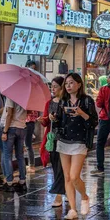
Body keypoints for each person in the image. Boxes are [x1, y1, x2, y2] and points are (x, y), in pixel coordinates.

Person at [57, 73, 97, 220]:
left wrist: (81, 113)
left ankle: (85, 197)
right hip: (64, 140)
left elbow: (93, 122)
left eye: (71, 83)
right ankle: (73, 209)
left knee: (74, 176)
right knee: (67, 177)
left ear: (79, 84)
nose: (68, 86)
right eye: (66, 83)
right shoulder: (63, 101)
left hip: (80, 141)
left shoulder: (86, 101)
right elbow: (59, 121)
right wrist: (52, 118)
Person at [39, 76, 66, 207]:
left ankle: (59, 195)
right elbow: (46, 123)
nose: (53, 89)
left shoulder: (67, 102)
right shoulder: (49, 103)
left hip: (66, 139)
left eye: (55, 86)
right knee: (56, 166)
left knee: (64, 167)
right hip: (53, 139)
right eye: (52, 86)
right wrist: (43, 120)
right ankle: (61, 192)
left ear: (62, 88)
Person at [1, 96, 28, 193]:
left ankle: (9, 183)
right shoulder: (25, 97)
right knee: (20, 156)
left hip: (11, 128)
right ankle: (22, 182)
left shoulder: (11, 96)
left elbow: (9, 114)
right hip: (22, 127)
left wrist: (5, 131)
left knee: (7, 155)